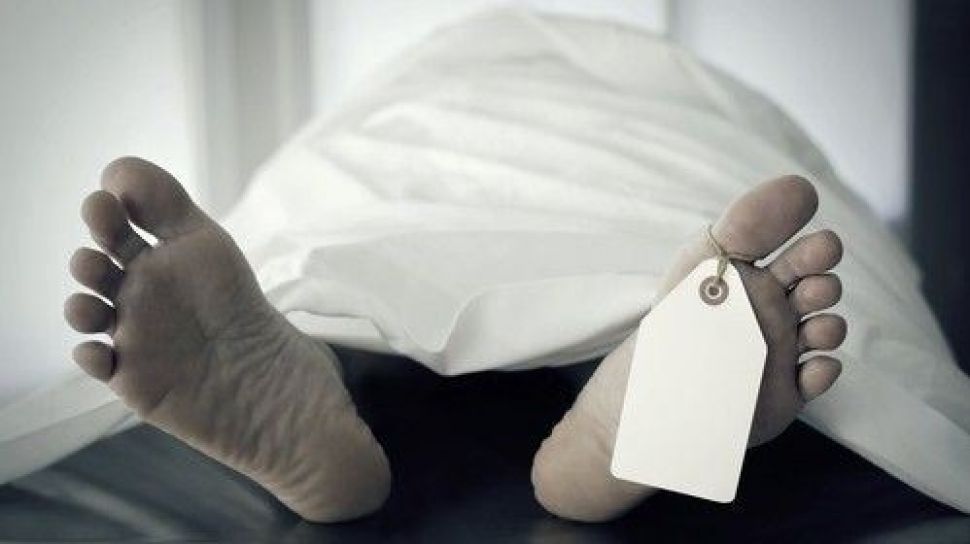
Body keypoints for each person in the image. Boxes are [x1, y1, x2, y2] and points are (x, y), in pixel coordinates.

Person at [52, 7, 970, 522]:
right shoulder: (677, 88)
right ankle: (624, 396)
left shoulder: (409, 92)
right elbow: (767, 139)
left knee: (339, 255)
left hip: (378, 173)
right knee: (662, 251)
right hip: (674, 158)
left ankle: (323, 364)